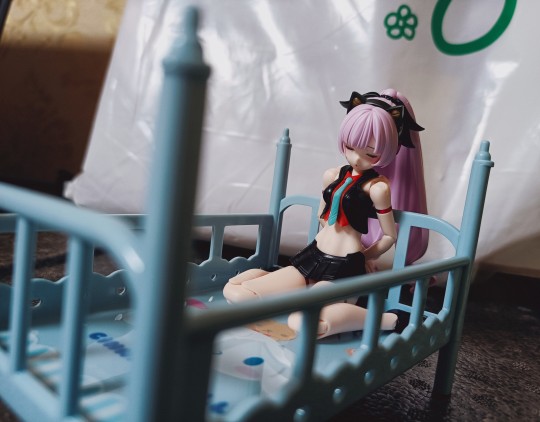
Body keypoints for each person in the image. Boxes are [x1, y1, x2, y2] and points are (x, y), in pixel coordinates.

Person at [223, 90, 426, 338]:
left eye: (370, 153)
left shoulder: (378, 188)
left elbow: (389, 236)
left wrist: (363, 258)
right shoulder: (332, 175)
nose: (356, 158)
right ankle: (277, 280)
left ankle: (390, 320)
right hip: (314, 255)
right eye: (350, 147)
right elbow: (322, 215)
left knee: (303, 322)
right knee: (237, 294)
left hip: (345, 267)